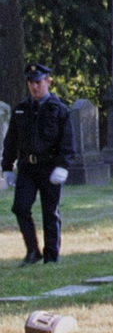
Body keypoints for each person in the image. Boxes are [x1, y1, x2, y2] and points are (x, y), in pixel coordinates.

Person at [3, 63, 75, 265]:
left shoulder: (59, 109)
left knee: (50, 211)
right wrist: (7, 167)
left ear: (48, 82)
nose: (35, 87)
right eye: (31, 83)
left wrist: (63, 165)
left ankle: (51, 255)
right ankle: (33, 251)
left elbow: (68, 141)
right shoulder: (21, 109)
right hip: (28, 166)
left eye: (38, 82)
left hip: (50, 166)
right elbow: (11, 141)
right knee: (20, 207)